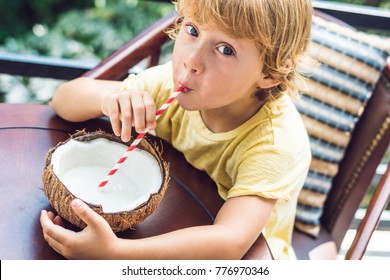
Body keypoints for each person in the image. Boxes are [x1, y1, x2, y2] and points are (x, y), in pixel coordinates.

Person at [40, 0, 312, 260]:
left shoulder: (276, 143)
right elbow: (62, 100)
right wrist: (109, 99)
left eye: (226, 50)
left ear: (269, 73)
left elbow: (230, 242)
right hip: (168, 222)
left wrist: (114, 254)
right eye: (192, 30)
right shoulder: (168, 87)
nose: (191, 61)